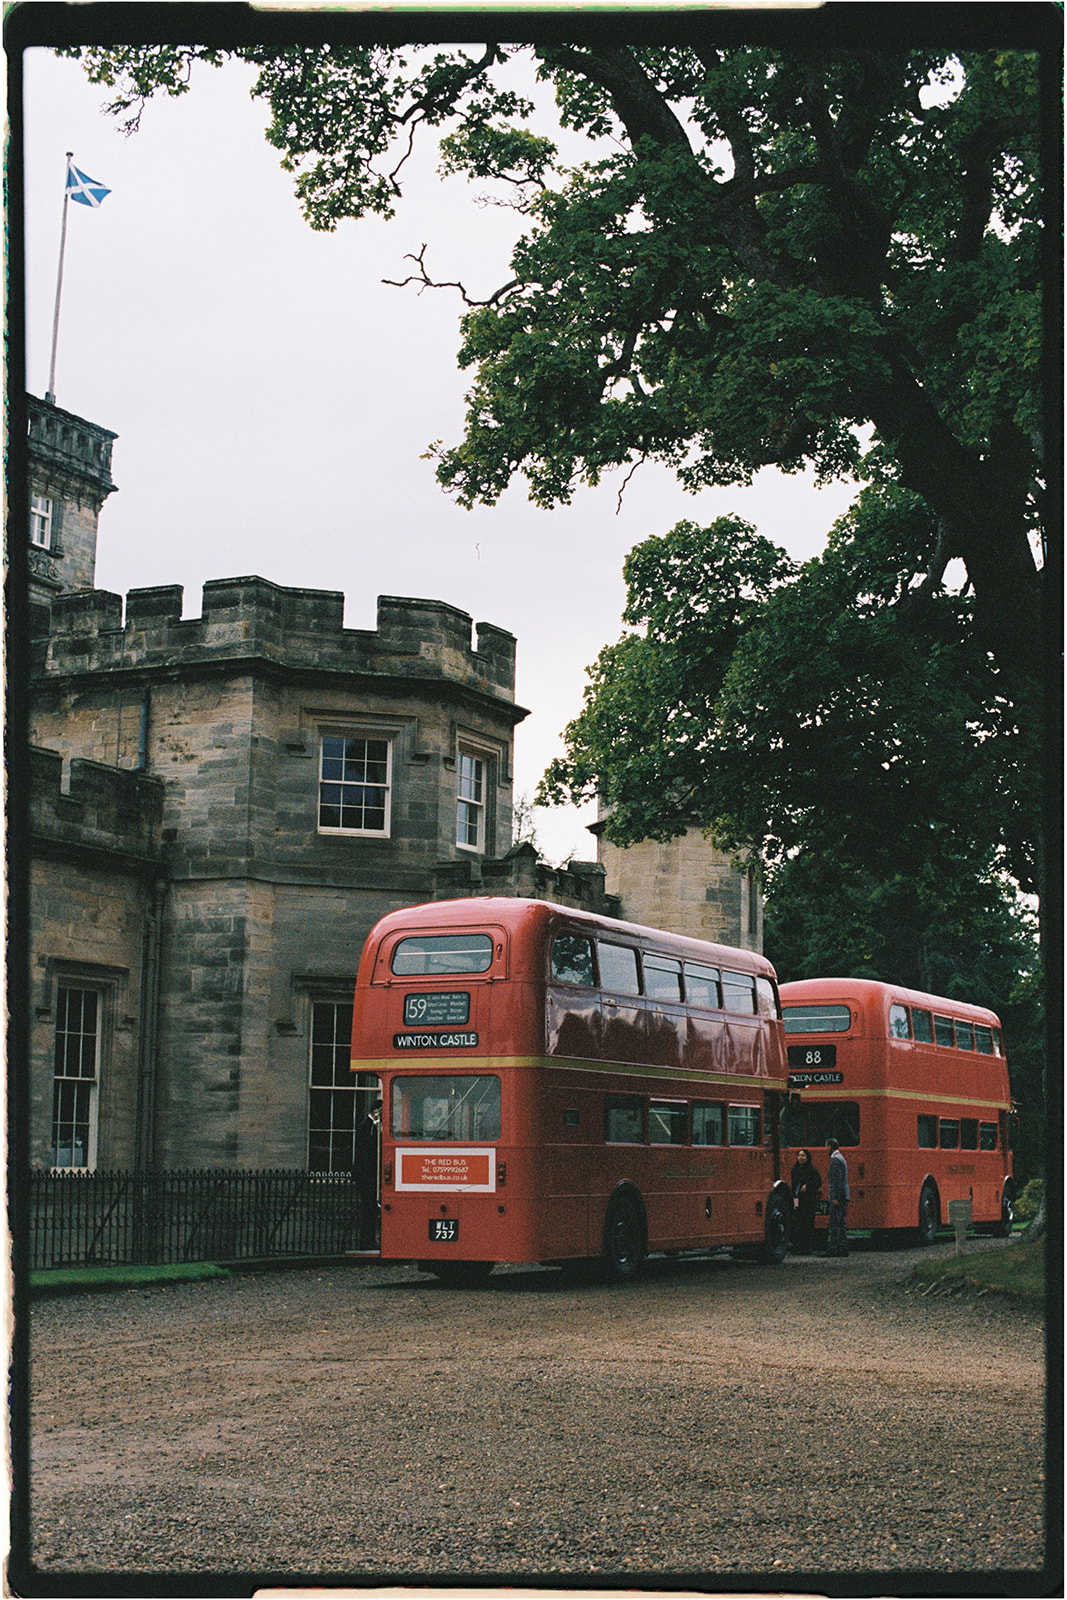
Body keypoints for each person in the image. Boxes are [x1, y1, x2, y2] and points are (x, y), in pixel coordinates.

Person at [355, 1098, 382, 1249]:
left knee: (370, 1209)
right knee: (368, 1209)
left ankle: (369, 1240)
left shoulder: (371, 1126)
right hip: (366, 1175)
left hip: (368, 1175)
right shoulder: (367, 1126)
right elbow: (366, 1153)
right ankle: (366, 1242)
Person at [789, 1148, 821, 1254]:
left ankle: (807, 1247)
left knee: (808, 1223)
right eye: (799, 1156)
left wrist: (808, 1186)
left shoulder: (812, 1170)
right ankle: (797, 1246)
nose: (801, 1158)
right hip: (798, 1198)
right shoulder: (794, 1169)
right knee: (797, 1222)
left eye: (803, 1156)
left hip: (809, 1200)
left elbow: (818, 1182)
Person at [824, 1136, 850, 1257]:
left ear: (830, 1146)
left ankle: (833, 1249)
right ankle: (842, 1248)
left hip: (838, 1196)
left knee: (834, 1223)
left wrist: (834, 1197)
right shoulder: (841, 1158)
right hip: (844, 1194)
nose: (825, 1149)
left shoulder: (835, 1160)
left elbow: (835, 1181)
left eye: (826, 1146)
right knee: (841, 1223)